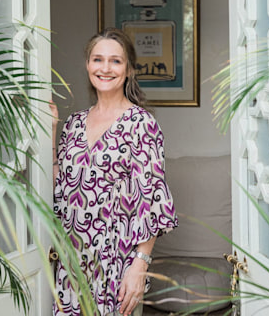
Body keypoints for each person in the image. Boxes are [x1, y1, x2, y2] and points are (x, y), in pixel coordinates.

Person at [51, 28, 178, 316]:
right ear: (87, 65)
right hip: (71, 263)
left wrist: (140, 265)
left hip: (117, 262)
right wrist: (53, 129)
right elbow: (60, 189)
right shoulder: (73, 123)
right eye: (98, 59)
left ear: (130, 70)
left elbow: (152, 200)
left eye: (115, 61)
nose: (105, 68)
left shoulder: (141, 124)